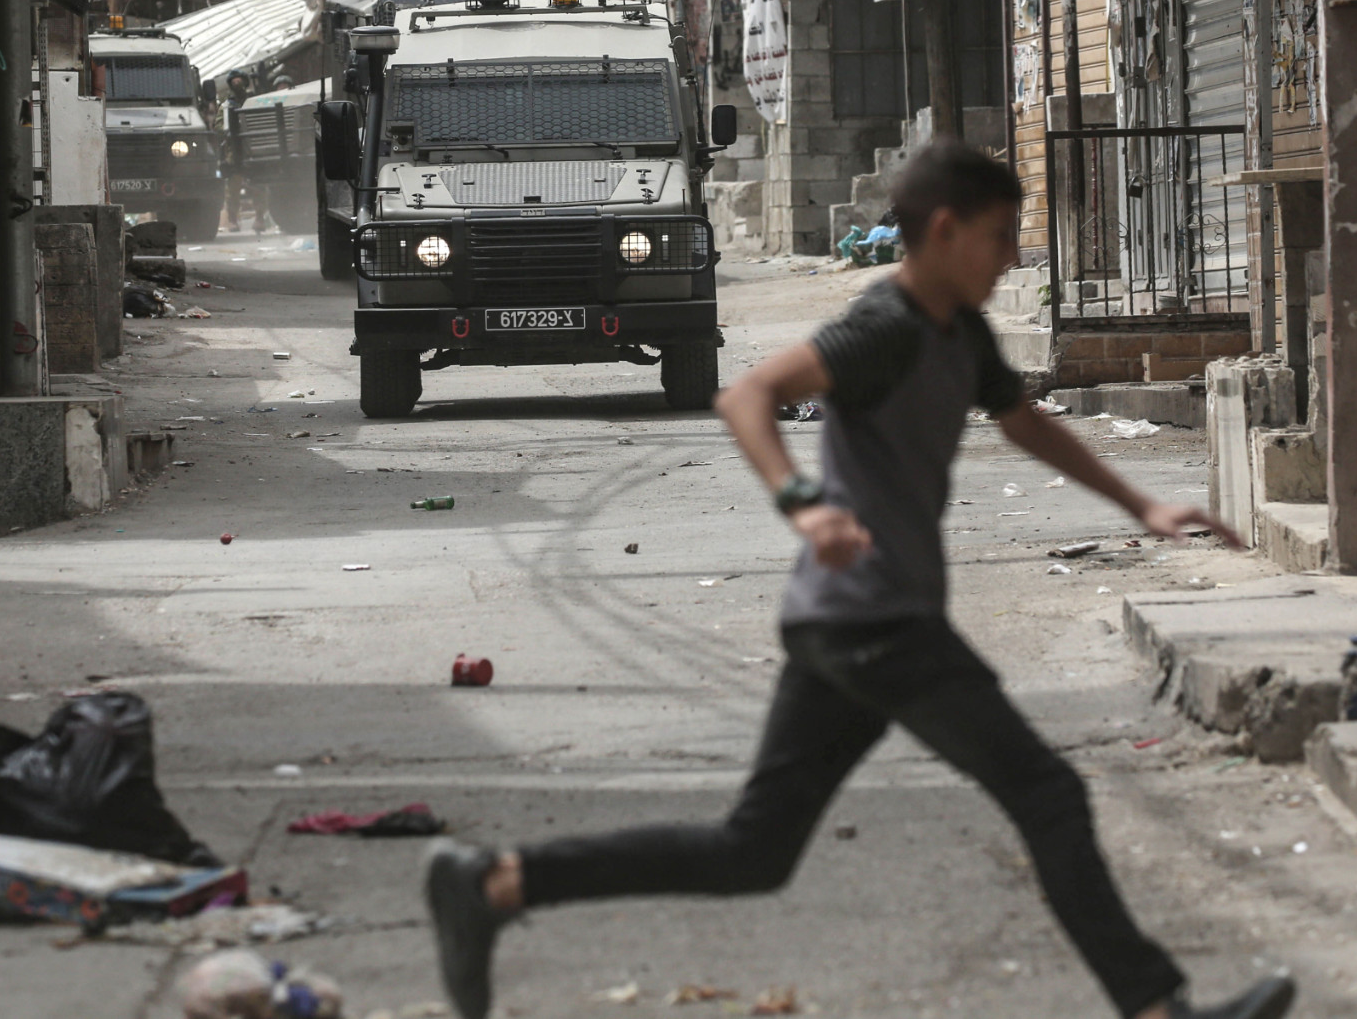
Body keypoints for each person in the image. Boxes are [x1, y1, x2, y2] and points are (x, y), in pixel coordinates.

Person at [422, 140, 1297, 1019]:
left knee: (753, 851)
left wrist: (1141, 504)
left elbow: (1024, 422)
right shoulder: (885, 328)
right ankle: (1156, 1008)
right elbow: (747, 397)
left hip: (841, 623)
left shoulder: (961, 329)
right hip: (879, 623)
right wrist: (804, 505)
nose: (1011, 255)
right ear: (945, 231)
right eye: (1000, 235)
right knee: (1048, 793)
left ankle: (494, 885)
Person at [221, 72, 255, 234]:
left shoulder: (253, 101)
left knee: (259, 184)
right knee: (233, 188)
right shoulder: (227, 105)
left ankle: (260, 217)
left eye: (239, 80)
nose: (237, 83)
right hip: (234, 149)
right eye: (234, 81)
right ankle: (233, 219)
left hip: (252, 146)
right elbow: (220, 126)